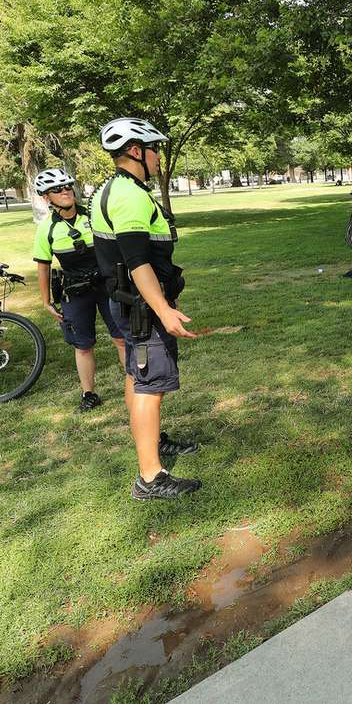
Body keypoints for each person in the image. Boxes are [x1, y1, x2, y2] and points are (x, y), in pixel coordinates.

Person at [91, 117, 202, 501]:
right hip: (141, 307)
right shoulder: (129, 196)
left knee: (137, 377)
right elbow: (138, 262)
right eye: (155, 149)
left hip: (130, 303)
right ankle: (150, 478)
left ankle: (152, 443)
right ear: (137, 151)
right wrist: (164, 310)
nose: (158, 158)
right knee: (150, 384)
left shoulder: (113, 189)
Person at [31, 168, 126, 410]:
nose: (65, 192)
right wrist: (46, 301)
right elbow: (43, 267)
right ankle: (88, 394)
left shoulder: (93, 216)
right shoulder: (46, 229)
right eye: (57, 190)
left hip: (107, 285)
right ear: (46, 198)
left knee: (121, 338)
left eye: (67, 187)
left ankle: (135, 384)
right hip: (75, 291)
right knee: (83, 346)